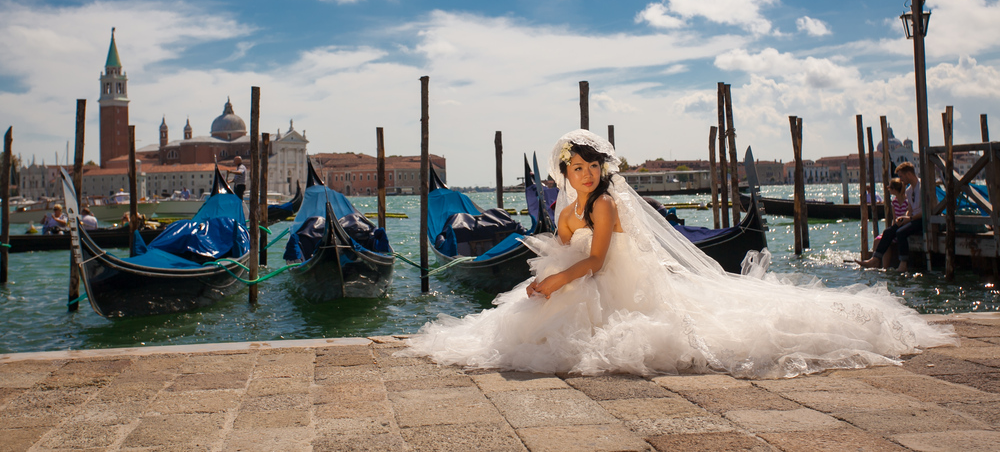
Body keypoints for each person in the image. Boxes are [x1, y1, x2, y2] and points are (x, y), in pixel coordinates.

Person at [402, 130, 955, 378]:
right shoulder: (570, 201)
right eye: (578, 167)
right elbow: (565, 241)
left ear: (603, 170)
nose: (586, 173)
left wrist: (551, 282)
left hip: (600, 278)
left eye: (593, 166)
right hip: (572, 274)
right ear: (566, 172)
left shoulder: (605, 208)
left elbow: (593, 262)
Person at [857, 162, 922, 273]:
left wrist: (909, 219)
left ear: (909, 174)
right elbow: (910, 210)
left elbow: (926, 211)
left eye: (901, 176)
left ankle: (903, 264)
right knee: (888, 231)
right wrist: (903, 217)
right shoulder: (909, 190)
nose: (900, 180)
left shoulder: (923, 187)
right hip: (911, 219)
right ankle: (875, 259)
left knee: (900, 233)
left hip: (921, 220)